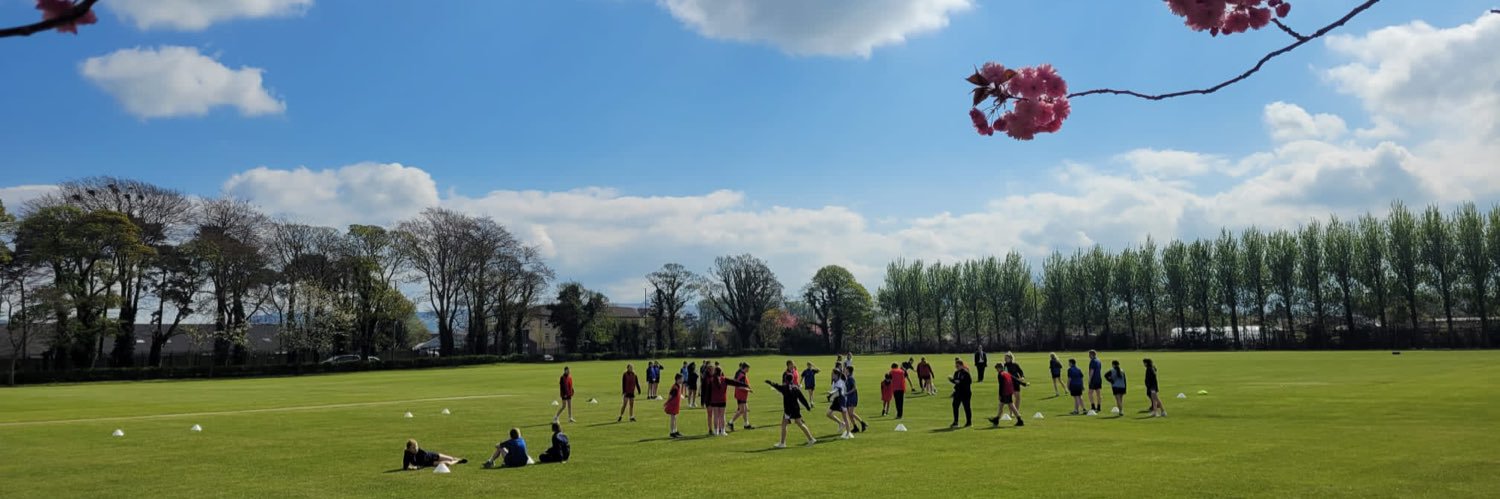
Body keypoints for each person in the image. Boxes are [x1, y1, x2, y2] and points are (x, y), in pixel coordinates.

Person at [766, 377, 816, 448]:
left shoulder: (784, 387)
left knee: (784, 424)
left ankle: (782, 443)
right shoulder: (796, 388)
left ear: (786, 380)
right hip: (796, 409)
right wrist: (807, 407)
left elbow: (776, 386)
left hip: (788, 410)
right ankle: (811, 439)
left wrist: (770, 382)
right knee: (800, 423)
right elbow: (802, 398)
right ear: (792, 380)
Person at [728, 362, 756, 431]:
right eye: (748, 368)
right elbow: (740, 386)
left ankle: (746, 424)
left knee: (745, 409)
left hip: (741, 395)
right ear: (745, 368)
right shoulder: (742, 375)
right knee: (741, 410)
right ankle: (730, 422)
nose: (748, 370)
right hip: (741, 395)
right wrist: (748, 390)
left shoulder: (740, 373)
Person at [824, 370, 852, 439]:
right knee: (828, 414)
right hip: (836, 400)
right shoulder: (834, 381)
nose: (832, 375)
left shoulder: (840, 382)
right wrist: (832, 396)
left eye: (833, 374)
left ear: (837, 375)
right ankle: (841, 423)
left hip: (842, 400)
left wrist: (831, 392)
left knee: (845, 417)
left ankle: (848, 433)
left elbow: (837, 390)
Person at [843, 364, 868, 433]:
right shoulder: (847, 378)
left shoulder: (851, 378)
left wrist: (847, 393)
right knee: (849, 413)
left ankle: (863, 423)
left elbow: (854, 388)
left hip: (852, 397)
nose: (845, 371)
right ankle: (855, 427)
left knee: (851, 413)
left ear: (849, 371)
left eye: (846, 370)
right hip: (848, 397)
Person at [948, 358, 973, 428]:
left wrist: (960, 382)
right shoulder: (956, 373)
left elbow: (969, 382)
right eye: (956, 366)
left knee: (967, 407)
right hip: (958, 392)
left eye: (958, 366)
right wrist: (952, 380)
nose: (956, 367)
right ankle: (956, 422)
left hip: (965, 393)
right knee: (955, 406)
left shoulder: (965, 373)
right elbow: (956, 381)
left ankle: (969, 422)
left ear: (962, 365)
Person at [665, 373, 685, 438]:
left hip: (676, 405)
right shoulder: (675, 387)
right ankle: (672, 432)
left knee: (675, 418)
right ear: (678, 379)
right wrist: (667, 402)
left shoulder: (678, 386)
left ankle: (675, 430)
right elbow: (670, 396)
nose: (683, 380)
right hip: (673, 405)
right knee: (673, 418)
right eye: (682, 379)